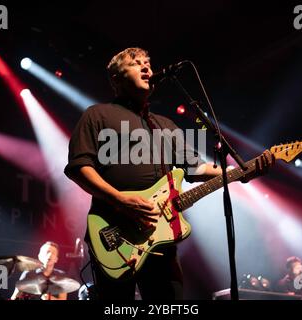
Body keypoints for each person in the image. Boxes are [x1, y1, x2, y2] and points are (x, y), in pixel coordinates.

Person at [64, 47, 274, 300]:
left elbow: (197, 169)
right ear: (116, 79)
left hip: (162, 238)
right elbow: (79, 167)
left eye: (148, 64)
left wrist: (242, 170)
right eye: (136, 64)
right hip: (115, 233)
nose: (146, 68)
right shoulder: (97, 115)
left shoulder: (164, 125)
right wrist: (119, 200)